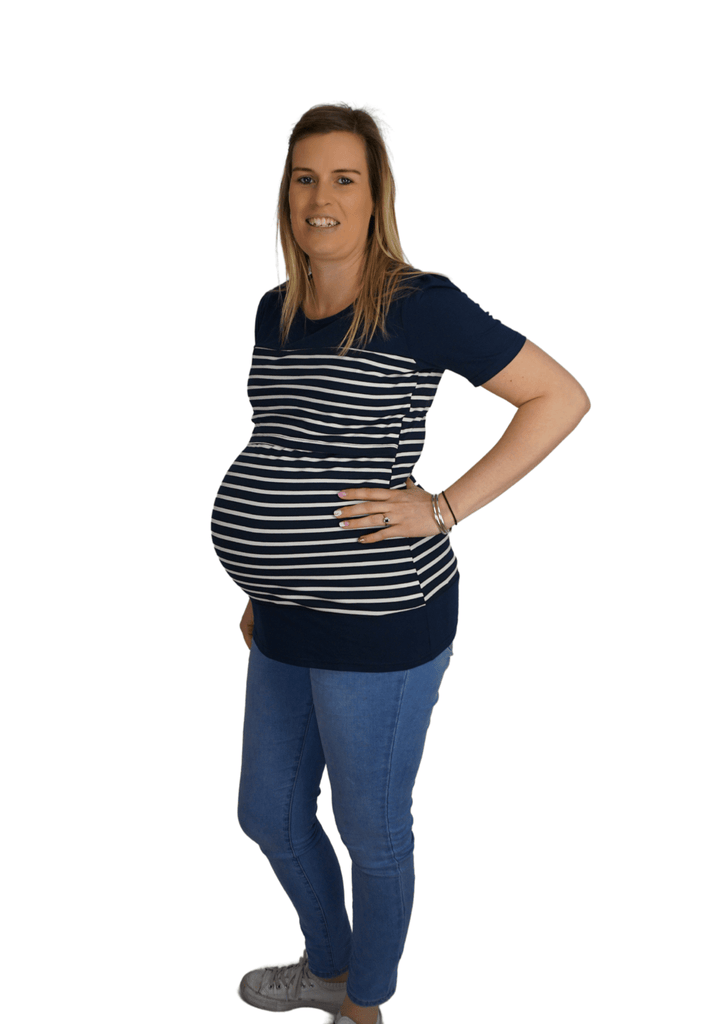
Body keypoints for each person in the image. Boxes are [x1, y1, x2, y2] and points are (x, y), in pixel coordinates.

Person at [210, 103, 591, 1024]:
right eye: (305, 177)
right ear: (285, 194)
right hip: (287, 616)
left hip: (382, 621)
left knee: (371, 830)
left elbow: (559, 397)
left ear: (376, 195)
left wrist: (443, 506)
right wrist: (266, 581)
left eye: (344, 178)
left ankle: (364, 1004)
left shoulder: (420, 306)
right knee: (268, 812)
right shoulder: (275, 309)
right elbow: (286, 444)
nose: (322, 196)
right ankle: (330, 966)